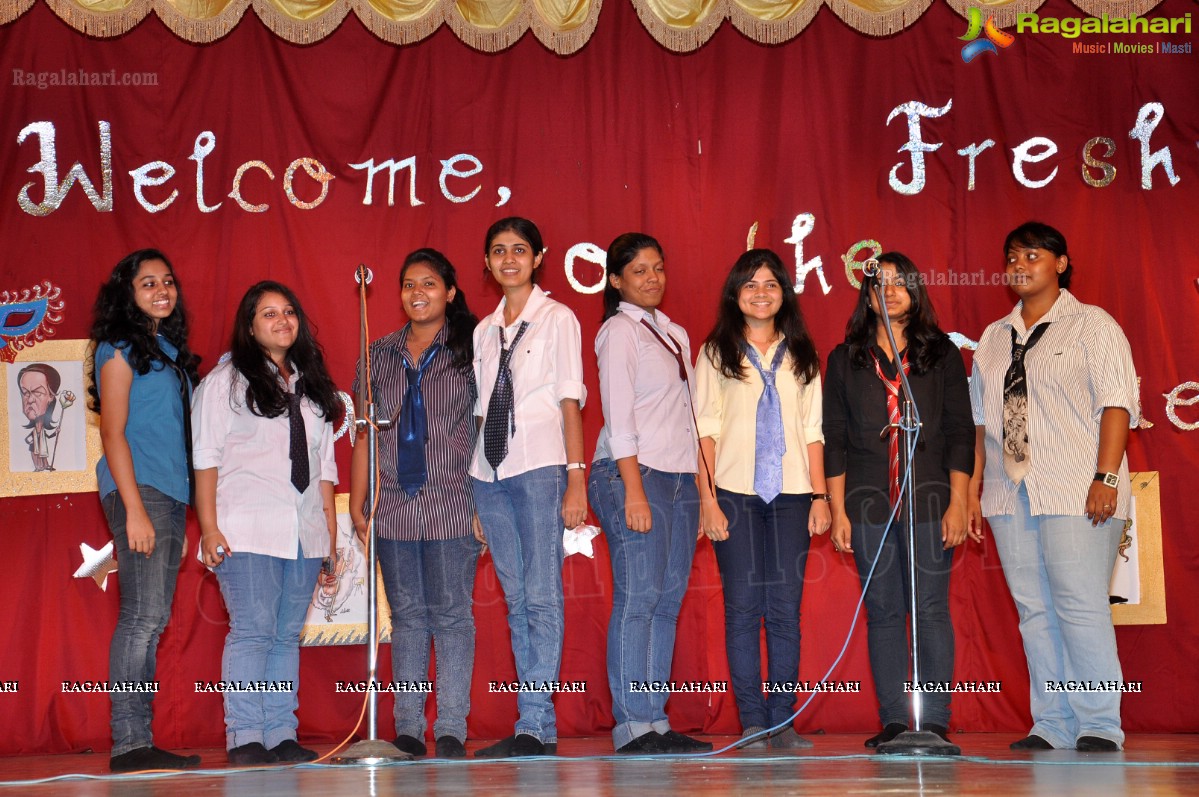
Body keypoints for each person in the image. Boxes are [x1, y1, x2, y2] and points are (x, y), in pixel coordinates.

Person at [969, 222, 1137, 753]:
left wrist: (1105, 477)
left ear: (1061, 263)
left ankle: (1098, 724)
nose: (1020, 264)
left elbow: (1117, 402)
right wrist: (973, 491)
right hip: (1008, 489)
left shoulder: (1092, 324)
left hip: (1077, 485)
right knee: (1034, 610)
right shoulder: (994, 338)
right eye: (1011, 256)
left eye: (1033, 254)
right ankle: (1053, 722)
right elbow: (980, 422)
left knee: (1079, 603)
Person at [823, 252, 975, 748]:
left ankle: (934, 721)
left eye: (899, 283)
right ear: (866, 296)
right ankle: (893, 719)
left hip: (931, 499)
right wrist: (838, 508)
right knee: (884, 611)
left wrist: (958, 503)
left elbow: (959, 432)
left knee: (930, 608)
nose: (888, 291)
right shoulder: (846, 358)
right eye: (878, 284)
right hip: (868, 502)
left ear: (915, 291)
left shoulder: (942, 354)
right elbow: (835, 437)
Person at [192, 281, 341, 765]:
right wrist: (210, 527)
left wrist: (329, 537)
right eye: (269, 314)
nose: (282, 320)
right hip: (246, 526)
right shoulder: (227, 381)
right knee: (253, 632)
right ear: (251, 327)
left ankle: (280, 732)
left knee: (283, 635)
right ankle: (246, 736)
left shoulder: (312, 386)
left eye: (289, 311)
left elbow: (323, 469)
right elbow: (205, 457)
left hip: (303, 530)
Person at [695, 248, 830, 750]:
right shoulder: (716, 352)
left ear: (784, 293)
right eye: (750, 284)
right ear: (735, 292)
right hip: (734, 493)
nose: (761, 292)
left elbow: (812, 431)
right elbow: (704, 431)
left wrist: (821, 496)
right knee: (742, 609)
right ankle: (752, 721)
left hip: (793, 494)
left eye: (771, 284)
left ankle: (781, 721)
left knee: (784, 611)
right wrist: (707, 499)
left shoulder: (803, 355)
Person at [349, 249, 481, 759]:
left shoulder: (473, 348)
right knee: (406, 618)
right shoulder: (377, 354)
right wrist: (359, 501)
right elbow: (365, 432)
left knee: (452, 616)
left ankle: (450, 727)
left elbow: (489, 429)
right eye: (408, 284)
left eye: (429, 283)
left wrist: (483, 504)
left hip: (453, 501)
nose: (417, 292)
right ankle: (406, 728)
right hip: (394, 504)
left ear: (450, 292)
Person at [587, 232, 711, 755]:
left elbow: (687, 419)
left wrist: (703, 495)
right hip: (631, 475)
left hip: (678, 478)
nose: (652, 278)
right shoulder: (619, 331)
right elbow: (620, 418)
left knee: (667, 601)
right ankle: (632, 725)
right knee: (638, 600)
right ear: (616, 280)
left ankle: (655, 720)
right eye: (638, 270)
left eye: (657, 268)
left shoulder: (675, 332)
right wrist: (634, 492)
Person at [470, 217, 587, 758]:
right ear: (489, 262)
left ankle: (537, 722)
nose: (509, 259)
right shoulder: (483, 329)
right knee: (516, 598)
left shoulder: (557, 317)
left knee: (542, 596)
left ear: (538, 256)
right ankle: (528, 721)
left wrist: (575, 476)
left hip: (541, 466)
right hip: (489, 474)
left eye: (519, 250)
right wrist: (474, 487)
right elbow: (479, 410)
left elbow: (569, 399)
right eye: (498, 251)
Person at [87, 248, 202, 772]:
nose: (162, 290)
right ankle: (130, 742)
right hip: (142, 490)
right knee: (141, 616)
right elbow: (112, 432)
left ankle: (137, 738)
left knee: (151, 617)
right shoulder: (117, 347)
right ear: (126, 294)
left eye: (168, 282)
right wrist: (133, 510)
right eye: (147, 283)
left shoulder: (169, 351)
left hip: (170, 493)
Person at [18, 363, 62, 471]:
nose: (29, 400)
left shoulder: (42, 430)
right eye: (25, 393)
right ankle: (38, 467)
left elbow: (47, 436)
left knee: (43, 453)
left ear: (51, 396)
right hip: (35, 447)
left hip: (41, 446)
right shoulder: (33, 431)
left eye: (37, 392)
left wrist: (55, 433)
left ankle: (44, 465)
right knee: (37, 454)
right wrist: (30, 441)